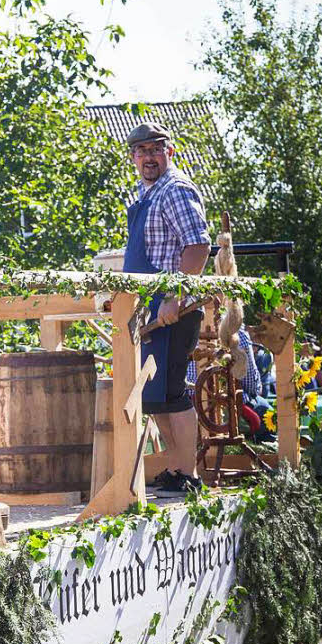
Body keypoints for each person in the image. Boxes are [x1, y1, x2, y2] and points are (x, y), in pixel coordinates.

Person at [123, 123, 211, 496]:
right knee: (154, 394)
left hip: (174, 309)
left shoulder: (175, 190)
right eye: (141, 151)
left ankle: (188, 475)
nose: (148, 157)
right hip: (150, 309)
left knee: (173, 390)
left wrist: (175, 296)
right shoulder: (144, 195)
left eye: (155, 150)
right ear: (133, 158)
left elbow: (197, 246)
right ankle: (175, 469)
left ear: (169, 153)